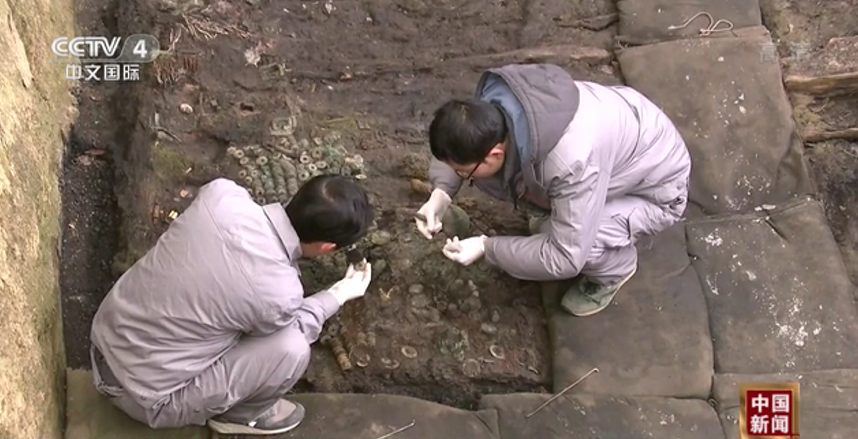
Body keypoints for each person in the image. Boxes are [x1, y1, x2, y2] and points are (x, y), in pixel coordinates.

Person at [89, 175, 373, 435]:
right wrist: (338, 294)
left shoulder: (222, 194)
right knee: (292, 348)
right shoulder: (279, 294)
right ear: (326, 247)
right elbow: (289, 328)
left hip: (102, 341)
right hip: (145, 399)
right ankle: (239, 417)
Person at [416, 63, 691, 317]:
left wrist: (486, 247)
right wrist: (441, 194)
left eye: (463, 173)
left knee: (575, 243)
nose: (460, 176)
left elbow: (566, 256)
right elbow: (456, 150)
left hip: (658, 192)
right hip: (623, 151)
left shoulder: (570, 163)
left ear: (495, 154)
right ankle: (561, 216)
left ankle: (616, 270)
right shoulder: (492, 111)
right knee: (550, 223)